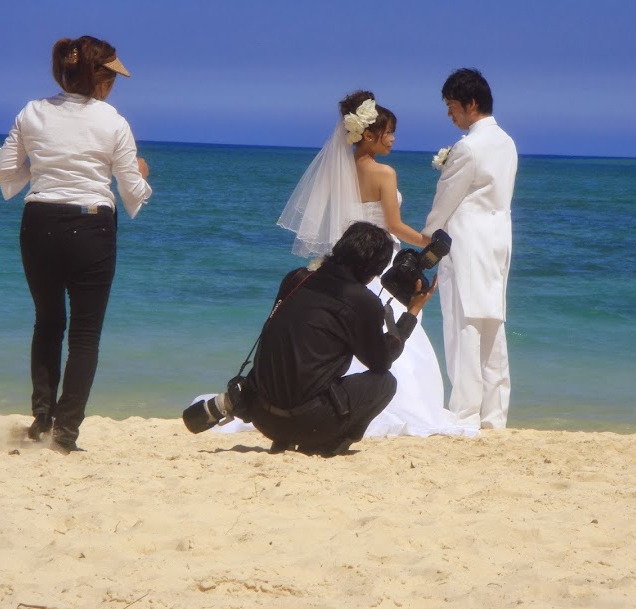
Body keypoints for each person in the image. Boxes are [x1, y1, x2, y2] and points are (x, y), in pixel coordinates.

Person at [276, 90, 476, 437]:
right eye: (389, 132)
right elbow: (394, 226)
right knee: (393, 327)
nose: (393, 138)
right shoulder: (384, 173)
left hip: (346, 263)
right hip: (381, 261)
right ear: (368, 134)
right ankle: (402, 404)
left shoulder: (338, 172)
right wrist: (429, 242)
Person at [0, 36, 152, 452]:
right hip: (91, 226)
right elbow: (130, 188)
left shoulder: (32, 111)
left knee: (47, 323)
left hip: (39, 222)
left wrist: (42, 170)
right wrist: (142, 173)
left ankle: (41, 420)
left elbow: (4, 171)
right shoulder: (113, 121)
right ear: (101, 79)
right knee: (84, 335)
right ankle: (65, 434)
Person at [184, 222, 435, 454]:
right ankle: (330, 444)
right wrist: (412, 312)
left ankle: (250, 410)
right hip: (308, 423)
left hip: (263, 417)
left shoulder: (296, 278)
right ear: (375, 270)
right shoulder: (362, 301)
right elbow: (382, 361)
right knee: (385, 383)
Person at [421, 68, 518, 429]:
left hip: (465, 244)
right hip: (497, 243)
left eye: (452, 106)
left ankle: (464, 413)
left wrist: (427, 236)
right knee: (492, 326)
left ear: (470, 104)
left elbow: (446, 200)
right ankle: (494, 415)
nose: (450, 114)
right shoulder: (507, 142)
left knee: (463, 327)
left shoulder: (468, 147)